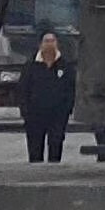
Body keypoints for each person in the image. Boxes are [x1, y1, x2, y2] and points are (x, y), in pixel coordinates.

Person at [16, 32, 77, 163]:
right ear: (40, 44)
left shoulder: (65, 66)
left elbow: (71, 88)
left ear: (57, 44)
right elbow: (22, 89)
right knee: (35, 148)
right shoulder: (31, 66)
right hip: (35, 115)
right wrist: (25, 110)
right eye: (46, 41)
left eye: (52, 41)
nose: (49, 44)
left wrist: (67, 109)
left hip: (58, 115)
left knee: (55, 145)